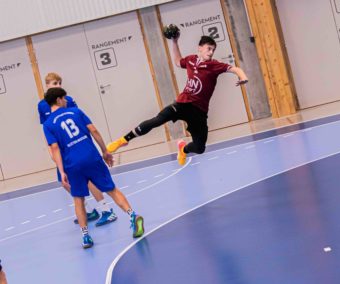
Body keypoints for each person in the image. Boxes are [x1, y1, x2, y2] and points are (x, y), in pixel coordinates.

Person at [106, 35, 249, 165]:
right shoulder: (191, 60)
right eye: (209, 48)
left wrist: (243, 77)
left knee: (199, 148)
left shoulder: (214, 65)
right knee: (157, 120)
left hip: (199, 112)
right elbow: (177, 61)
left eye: (213, 50)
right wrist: (174, 42)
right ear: (200, 48)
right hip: (182, 104)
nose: (211, 52)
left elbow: (235, 69)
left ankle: (183, 149)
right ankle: (123, 140)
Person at [42, 87, 144, 248]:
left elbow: (54, 148)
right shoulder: (76, 112)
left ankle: (85, 236)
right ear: (59, 100)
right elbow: (94, 131)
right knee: (112, 189)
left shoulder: (48, 124)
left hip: (72, 164)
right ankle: (132, 215)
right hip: (91, 157)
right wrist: (105, 151)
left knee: (79, 200)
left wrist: (61, 171)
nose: (67, 101)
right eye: (65, 98)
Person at [38, 73, 117, 226]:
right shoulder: (42, 106)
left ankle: (106, 209)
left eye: (60, 82)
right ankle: (88, 211)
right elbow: (46, 129)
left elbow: (78, 120)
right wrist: (51, 151)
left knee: (87, 179)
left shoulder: (67, 100)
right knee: (64, 181)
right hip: (61, 149)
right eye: (55, 83)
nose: (58, 85)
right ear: (47, 85)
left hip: (75, 146)